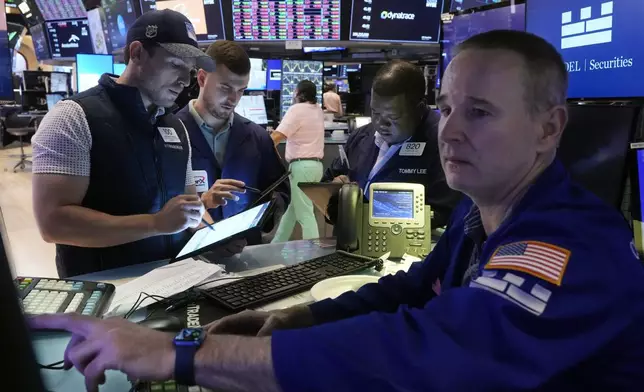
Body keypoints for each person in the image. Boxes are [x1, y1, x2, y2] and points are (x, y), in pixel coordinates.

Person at [30, 30, 644, 391]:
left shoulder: (567, 246)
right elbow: (407, 290)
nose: (451, 132)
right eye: (449, 109)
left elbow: (425, 352)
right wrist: (299, 322)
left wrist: (181, 355)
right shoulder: (481, 217)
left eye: (479, 112)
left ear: (549, 127)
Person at [30, 10, 219, 278]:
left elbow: (187, 208)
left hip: (172, 282)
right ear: (137, 52)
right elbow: (53, 223)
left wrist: (214, 238)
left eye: (189, 72)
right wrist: (155, 223)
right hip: (105, 290)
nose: (185, 81)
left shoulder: (175, 126)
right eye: (176, 65)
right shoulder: (74, 117)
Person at [175, 40, 290, 248]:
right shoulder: (171, 134)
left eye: (241, 90)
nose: (233, 99)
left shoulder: (257, 137)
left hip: (245, 254)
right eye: (225, 87)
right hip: (186, 259)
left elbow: (280, 191)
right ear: (201, 78)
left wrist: (258, 220)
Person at [322, 60, 460, 227]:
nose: (380, 123)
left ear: (419, 108)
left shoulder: (446, 144)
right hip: (351, 246)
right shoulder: (361, 136)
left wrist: (366, 209)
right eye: (375, 112)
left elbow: (446, 213)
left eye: (393, 117)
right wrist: (335, 193)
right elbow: (327, 184)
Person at [270, 80, 325, 242]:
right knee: (293, 210)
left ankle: (313, 253)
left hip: (301, 167)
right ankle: (275, 246)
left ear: (298, 93)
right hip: (315, 167)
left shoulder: (297, 110)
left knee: (305, 213)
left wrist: (264, 146)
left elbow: (277, 137)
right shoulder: (318, 110)